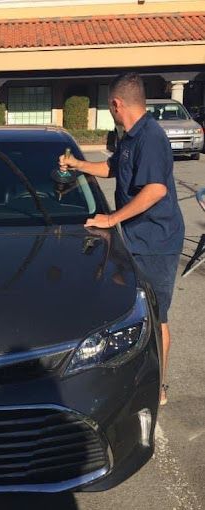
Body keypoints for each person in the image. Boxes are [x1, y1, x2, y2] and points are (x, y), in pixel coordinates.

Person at [59, 72, 184, 406]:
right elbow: (113, 168)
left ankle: (158, 388)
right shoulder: (130, 137)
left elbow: (156, 190)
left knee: (157, 316)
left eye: (109, 105)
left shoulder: (151, 137)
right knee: (130, 313)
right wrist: (76, 164)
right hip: (132, 238)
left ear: (116, 104)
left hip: (156, 241)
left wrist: (112, 219)